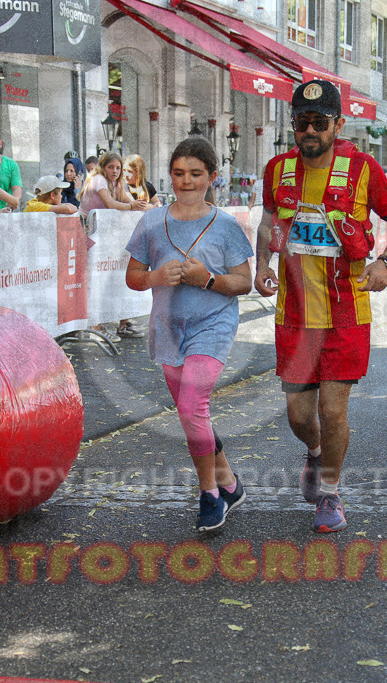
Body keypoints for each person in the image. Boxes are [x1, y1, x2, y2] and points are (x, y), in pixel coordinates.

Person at [253, 80, 387, 533]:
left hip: (346, 312)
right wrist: (262, 263)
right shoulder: (277, 169)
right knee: (299, 416)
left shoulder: (362, 168)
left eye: (319, 123)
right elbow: (268, 220)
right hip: (295, 314)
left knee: (333, 411)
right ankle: (315, 452)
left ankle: (330, 492)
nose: (309, 131)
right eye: (301, 122)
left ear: (338, 125)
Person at [124, 137, 254, 531]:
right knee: (190, 411)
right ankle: (230, 481)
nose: (187, 181)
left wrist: (207, 278)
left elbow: (243, 283)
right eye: (179, 173)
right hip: (168, 328)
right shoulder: (151, 221)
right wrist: (154, 277)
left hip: (213, 325)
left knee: (192, 405)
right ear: (170, 176)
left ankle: (209, 494)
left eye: (196, 174)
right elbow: (132, 278)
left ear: (211, 177)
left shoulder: (226, 225)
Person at [79, 153, 147, 341]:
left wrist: (144, 207)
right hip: (87, 234)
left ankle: (124, 322)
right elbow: (111, 203)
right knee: (96, 280)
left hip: (105, 236)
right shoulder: (99, 179)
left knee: (116, 277)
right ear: (103, 167)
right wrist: (132, 206)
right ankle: (96, 326)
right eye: (111, 167)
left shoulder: (116, 182)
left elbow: (125, 200)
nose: (115, 171)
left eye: (118, 168)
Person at [0, 129, 22, 212]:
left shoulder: (11, 164)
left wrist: (9, 207)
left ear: (0, 143)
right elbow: (14, 201)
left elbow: (17, 189)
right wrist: (13, 201)